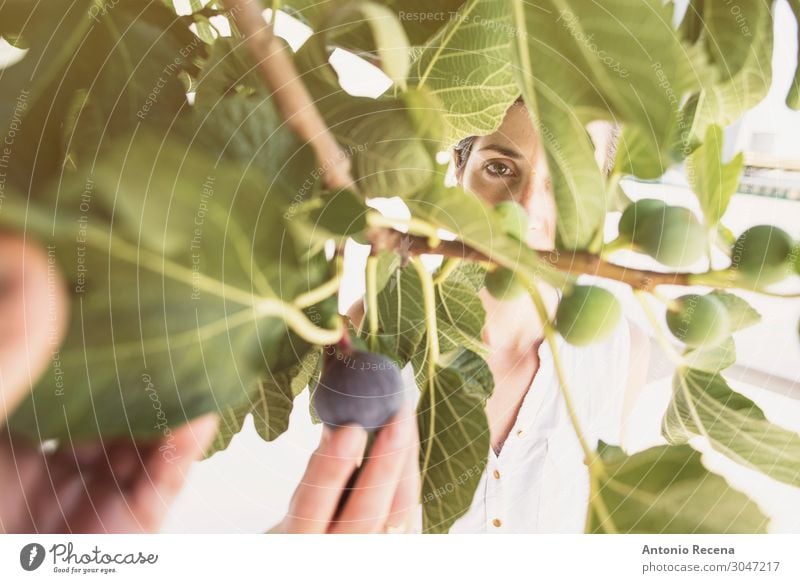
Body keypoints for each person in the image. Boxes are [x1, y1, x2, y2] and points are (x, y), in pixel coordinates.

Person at [270, 98, 650, 533]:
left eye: (564, 181)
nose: (525, 210)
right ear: (458, 167)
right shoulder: (373, 334)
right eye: (500, 168)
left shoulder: (623, 352)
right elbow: (328, 520)